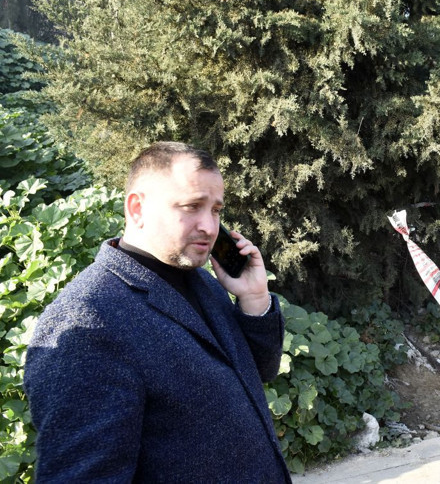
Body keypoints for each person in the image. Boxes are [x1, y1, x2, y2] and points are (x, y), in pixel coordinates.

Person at [24, 142, 292, 482]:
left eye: (216, 210)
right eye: (193, 206)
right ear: (137, 209)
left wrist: (254, 298)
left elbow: (258, 372)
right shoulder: (88, 321)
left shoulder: (203, 283)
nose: (210, 227)